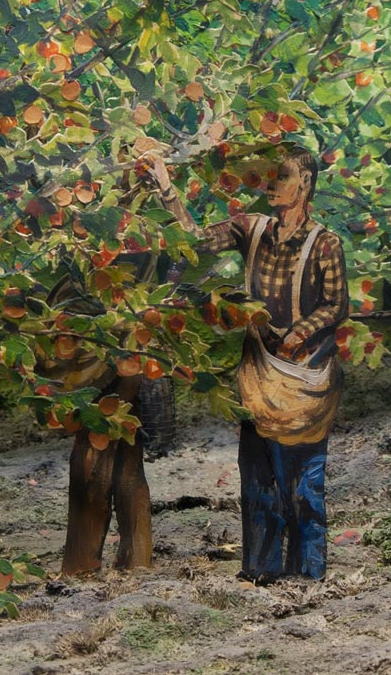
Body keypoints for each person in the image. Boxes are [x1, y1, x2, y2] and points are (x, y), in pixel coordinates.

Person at [148, 142, 348, 583]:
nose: (271, 186)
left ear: (306, 184)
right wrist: (166, 185)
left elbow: (335, 305)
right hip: (259, 376)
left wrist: (299, 332)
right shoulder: (252, 229)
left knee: (302, 481)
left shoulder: (324, 243)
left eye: (281, 177)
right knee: (257, 475)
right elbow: (195, 240)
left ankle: (309, 574)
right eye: (267, 177)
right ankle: (261, 570)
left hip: (304, 378)